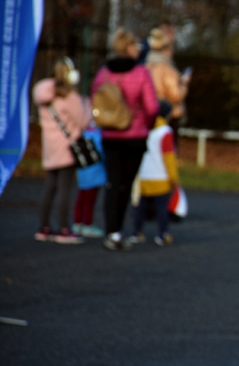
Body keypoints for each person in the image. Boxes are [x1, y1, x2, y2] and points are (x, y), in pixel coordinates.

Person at [92, 28, 159, 251]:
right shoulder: (140, 73)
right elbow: (151, 107)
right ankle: (119, 231)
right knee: (126, 185)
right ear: (128, 47)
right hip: (134, 136)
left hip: (110, 134)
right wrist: (144, 124)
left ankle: (111, 231)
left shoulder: (104, 72)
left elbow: (96, 99)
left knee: (112, 183)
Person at [32, 57, 91, 244]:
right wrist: (87, 106)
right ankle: (64, 229)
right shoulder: (69, 97)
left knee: (50, 187)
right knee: (65, 189)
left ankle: (44, 227)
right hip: (66, 148)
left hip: (50, 147)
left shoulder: (45, 96)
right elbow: (84, 120)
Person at [128, 101, 179, 247]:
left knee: (141, 206)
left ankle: (135, 232)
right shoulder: (165, 132)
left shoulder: (145, 128)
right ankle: (162, 234)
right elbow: (169, 157)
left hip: (145, 173)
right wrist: (173, 177)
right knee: (162, 207)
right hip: (160, 175)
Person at [145, 27, 189, 147]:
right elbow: (175, 95)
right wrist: (184, 83)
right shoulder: (167, 68)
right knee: (168, 152)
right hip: (168, 114)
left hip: (150, 112)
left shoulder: (146, 65)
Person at [72, 115, 107, 238]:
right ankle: (87, 224)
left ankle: (77, 223)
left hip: (82, 171)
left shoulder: (82, 132)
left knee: (81, 199)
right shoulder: (98, 134)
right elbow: (102, 152)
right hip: (95, 171)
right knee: (90, 200)